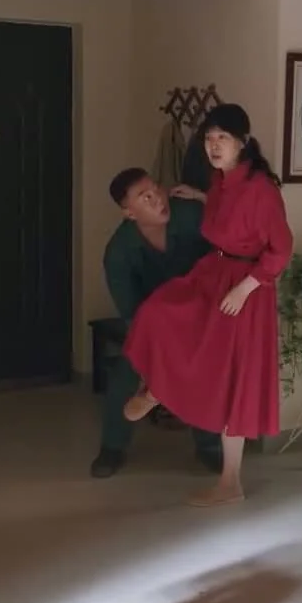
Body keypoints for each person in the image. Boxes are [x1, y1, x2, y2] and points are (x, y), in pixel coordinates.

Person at [122, 103, 293, 507]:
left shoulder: (262, 190)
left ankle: (230, 482)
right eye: (209, 138)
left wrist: (245, 288)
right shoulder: (220, 181)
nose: (213, 146)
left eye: (223, 138)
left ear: (242, 142)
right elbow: (231, 213)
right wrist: (202, 196)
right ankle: (156, 387)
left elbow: (281, 250)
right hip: (215, 273)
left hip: (245, 288)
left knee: (233, 380)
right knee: (159, 313)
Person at [94, 167, 222, 478]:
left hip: (201, 311)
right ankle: (113, 447)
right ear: (129, 213)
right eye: (145, 197)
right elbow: (131, 312)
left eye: (156, 189)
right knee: (128, 370)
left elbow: (230, 236)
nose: (158, 199)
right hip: (152, 324)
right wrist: (157, 350)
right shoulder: (118, 252)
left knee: (205, 367)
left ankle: (209, 446)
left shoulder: (189, 214)